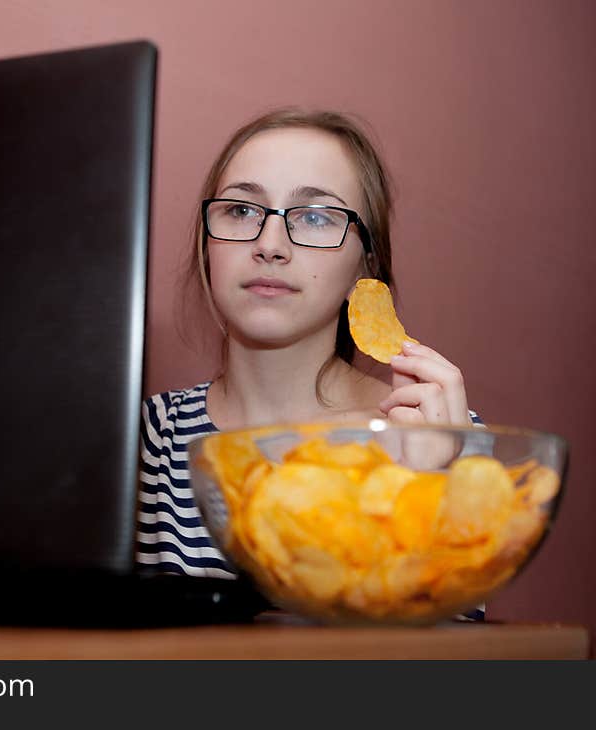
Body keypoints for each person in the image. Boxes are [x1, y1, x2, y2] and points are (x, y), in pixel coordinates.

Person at [136, 108, 485, 619]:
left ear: (365, 264)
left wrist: (420, 504)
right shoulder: (144, 438)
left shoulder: (433, 432)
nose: (269, 245)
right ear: (205, 243)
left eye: (317, 216)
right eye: (240, 210)